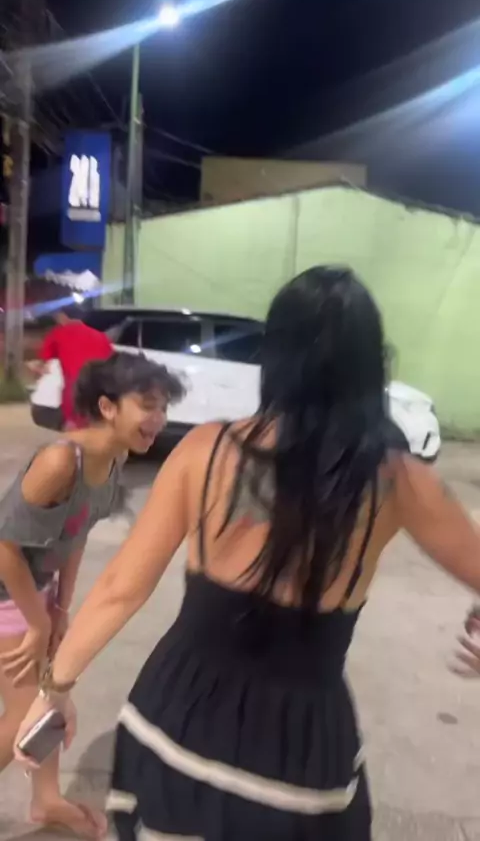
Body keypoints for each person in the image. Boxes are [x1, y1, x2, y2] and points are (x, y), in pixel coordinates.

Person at [13, 266, 480, 841]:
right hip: (299, 754)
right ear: (369, 364)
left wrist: (54, 690)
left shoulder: (205, 449)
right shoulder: (398, 480)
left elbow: (120, 590)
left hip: (176, 723)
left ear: (275, 356)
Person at [0, 351, 183, 838]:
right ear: (107, 407)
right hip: (7, 590)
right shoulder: (61, 460)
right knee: (25, 715)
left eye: (164, 407)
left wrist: (61, 608)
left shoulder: (113, 459)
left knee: (53, 695)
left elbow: (76, 534)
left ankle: (46, 799)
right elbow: (4, 548)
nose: (159, 419)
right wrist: (37, 620)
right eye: (148, 405)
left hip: (36, 591)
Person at [30, 309, 114, 429]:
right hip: (98, 395)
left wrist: (35, 367)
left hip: (72, 394)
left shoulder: (58, 333)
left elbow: (45, 365)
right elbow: (111, 364)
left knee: (73, 429)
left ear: (62, 316)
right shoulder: (102, 337)